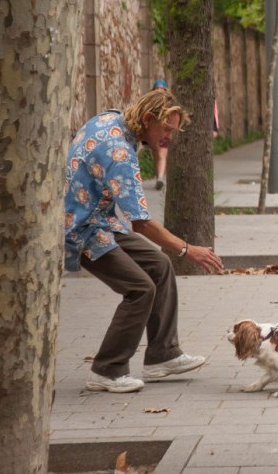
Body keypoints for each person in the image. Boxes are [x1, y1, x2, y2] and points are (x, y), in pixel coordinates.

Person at [64, 89, 224, 393]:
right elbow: (142, 223)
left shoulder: (112, 119)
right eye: (165, 129)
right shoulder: (120, 153)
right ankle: (107, 370)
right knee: (140, 288)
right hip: (82, 229)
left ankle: (162, 355)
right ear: (148, 119)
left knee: (159, 265)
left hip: (102, 220)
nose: (168, 138)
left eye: (172, 131)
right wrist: (188, 250)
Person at [150, 79, 170, 190]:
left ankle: (160, 178)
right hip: (153, 135)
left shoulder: (169, 104)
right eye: (157, 88)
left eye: (162, 89)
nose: (159, 91)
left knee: (162, 155)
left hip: (164, 134)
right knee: (156, 156)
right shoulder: (148, 104)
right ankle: (158, 177)